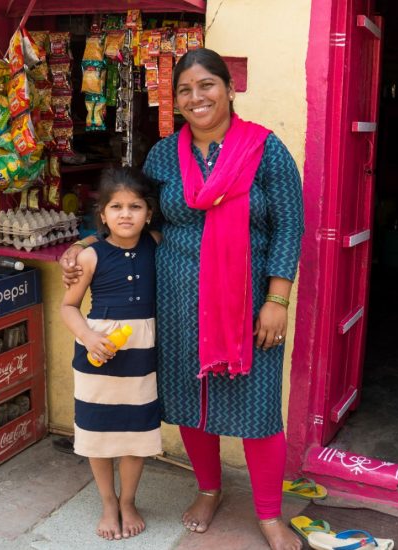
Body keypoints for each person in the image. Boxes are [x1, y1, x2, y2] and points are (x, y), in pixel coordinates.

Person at [61, 49, 304, 550]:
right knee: (193, 402)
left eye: (207, 85)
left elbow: (289, 226)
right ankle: (209, 489)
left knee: (258, 408)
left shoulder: (266, 150)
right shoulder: (164, 156)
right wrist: (85, 244)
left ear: (229, 89)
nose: (197, 98)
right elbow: (137, 221)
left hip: (246, 302)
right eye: (186, 90)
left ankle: (270, 514)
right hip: (174, 301)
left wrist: (277, 298)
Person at [59, 168, 162, 541]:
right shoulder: (90, 257)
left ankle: (129, 501)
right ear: (102, 214)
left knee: (136, 431)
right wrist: (87, 335)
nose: (125, 214)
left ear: (148, 213)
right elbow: (68, 307)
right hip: (98, 355)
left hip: (141, 356)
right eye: (115, 206)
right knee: (97, 432)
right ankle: (107, 502)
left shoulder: (156, 242)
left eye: (135, 206)